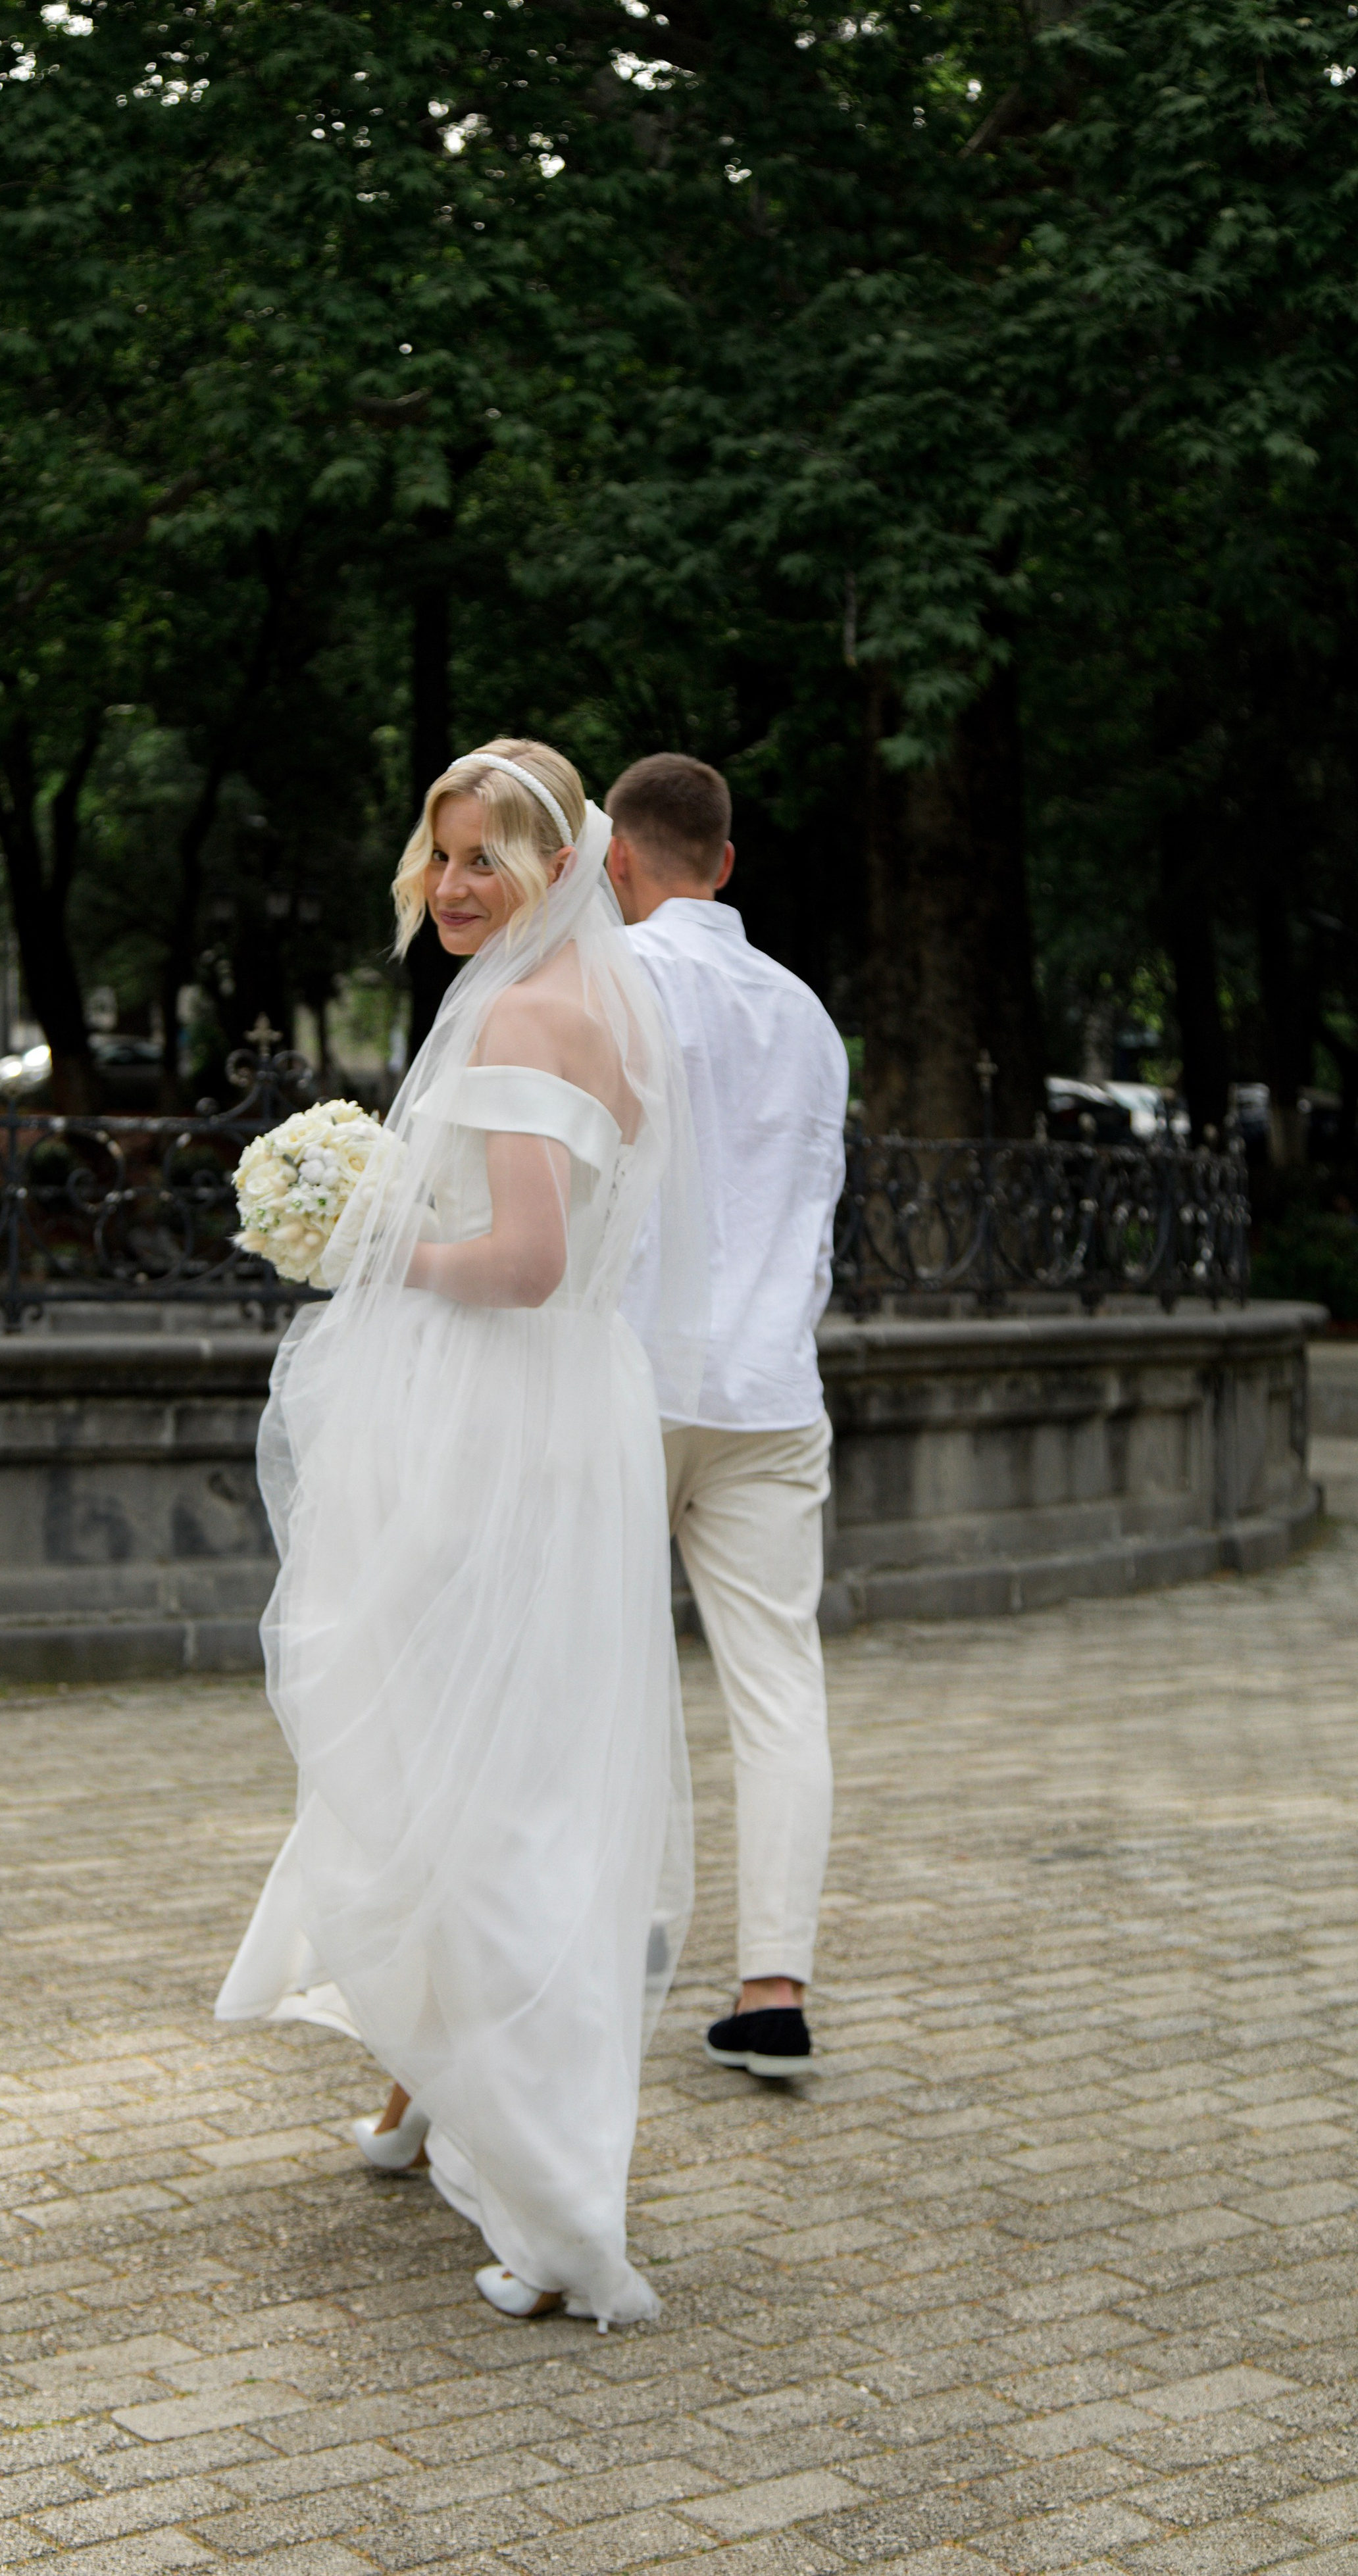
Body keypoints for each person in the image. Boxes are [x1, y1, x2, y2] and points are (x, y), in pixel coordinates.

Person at [217, 738, 707, 2328]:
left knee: (483, 1797)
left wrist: (372, 1241)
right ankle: (439, 2081)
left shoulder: (517, 1009)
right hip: (569, 1425)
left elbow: (521, 1261)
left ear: (561, 866)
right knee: (514, 1773)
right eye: (437, 857)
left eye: (483, 858)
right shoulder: (608, 1012)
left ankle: (564, 2215)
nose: (450, 887)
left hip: (497, 1423)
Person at [609, 753, 849, 2082]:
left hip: (631, 1377)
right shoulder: (808, 1014)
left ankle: (613, 1941)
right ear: (727, 861)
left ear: (615, 862)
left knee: (599, 1675)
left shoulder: (617, 982)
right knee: (777, 1686)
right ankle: (771, 1985)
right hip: (768, 1388)